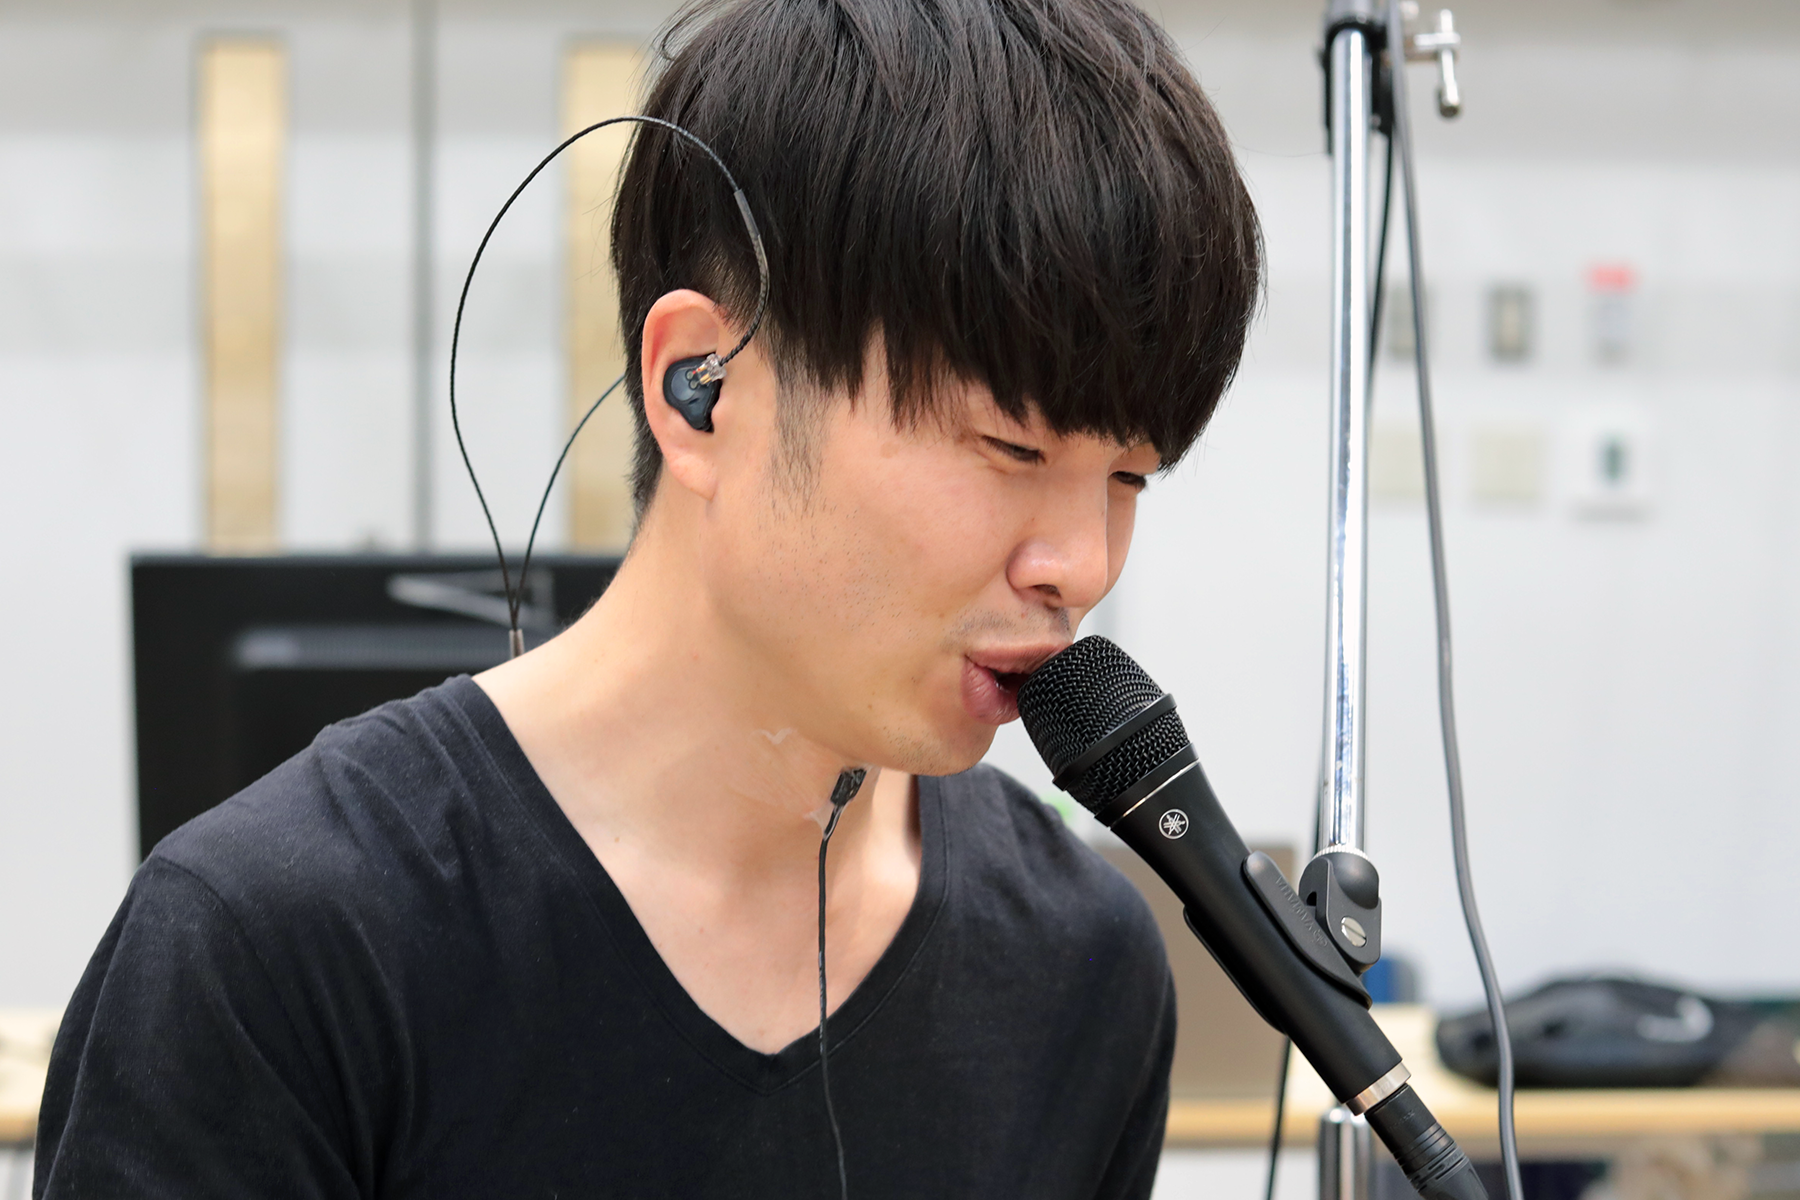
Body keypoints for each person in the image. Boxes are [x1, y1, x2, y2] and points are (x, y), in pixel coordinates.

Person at [34, 0, 1260, 1195]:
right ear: (704, 390)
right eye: (1010, 448)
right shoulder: (273, 948)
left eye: (1128, 478)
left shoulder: (1083, 966)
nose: (1081, 565)